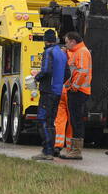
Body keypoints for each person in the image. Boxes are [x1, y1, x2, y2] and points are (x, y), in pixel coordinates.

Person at [31, 29, 67, 160]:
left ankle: (47, 151)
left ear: (45, 40)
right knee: (51, 122)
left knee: (43, 120)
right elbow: (67, 73)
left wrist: (36, 78)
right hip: (57, 91)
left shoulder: (48, 52)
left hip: (47, 91)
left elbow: (45, 70)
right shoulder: (62, 53)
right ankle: (50, 150)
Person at [59, 31, 91, 160]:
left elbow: (82, 72)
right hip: (77, 91)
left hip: (78, 92)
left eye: (67, 42)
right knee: (74, 121)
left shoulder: (82, 52)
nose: (66, 44)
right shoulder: (78, 52)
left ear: (73, 41)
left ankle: (76, 151)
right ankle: (73, 149)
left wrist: (74, 87)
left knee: (76, 122)